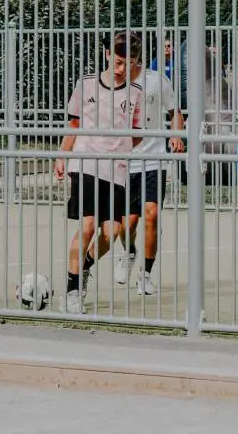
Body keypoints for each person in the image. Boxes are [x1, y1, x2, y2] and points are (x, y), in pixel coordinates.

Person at [54, 31, 144, 314]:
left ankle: (84, 265)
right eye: (118, 62)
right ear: (107, 54)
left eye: (129, 64)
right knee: (89, 225)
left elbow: (138, 134)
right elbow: (74, 123)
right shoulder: (87, 84)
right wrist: (63, 155)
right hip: (86, 162)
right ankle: (71, 291)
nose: (122, 69)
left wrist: (120, 146)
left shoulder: (136, 94)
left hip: (116, 168)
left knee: (112, 231)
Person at [111, 51, 186, 295]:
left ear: (137, 58)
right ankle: (129, 252)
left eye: (128, 59)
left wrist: (176, 133)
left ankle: (145, 274)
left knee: (151, 214)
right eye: (118, 60)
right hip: (125, 161)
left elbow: (174, 112)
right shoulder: (110, 83)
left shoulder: (156, 80)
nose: (123, 65)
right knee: (126, 224)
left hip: (154, 158)